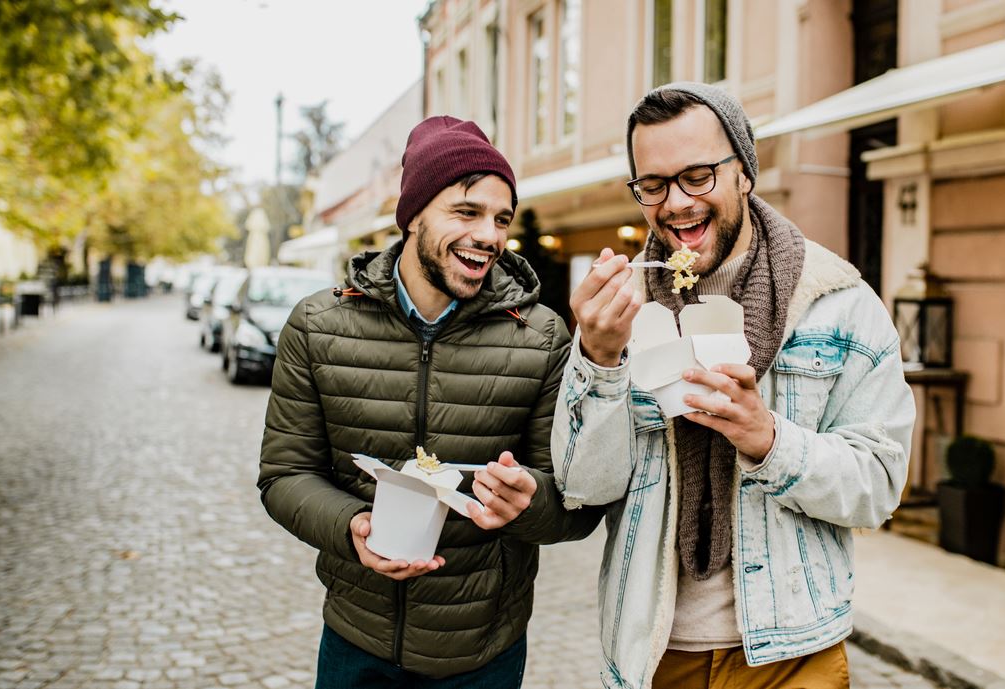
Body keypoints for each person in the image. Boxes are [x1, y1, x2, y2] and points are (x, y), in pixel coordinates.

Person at [552, 82, 916, 689]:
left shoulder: (839, 304)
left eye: (698, 176)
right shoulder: (620, 309)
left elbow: (878, 487)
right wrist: (598, 358)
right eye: (654, 185)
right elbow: (583, 486)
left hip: (794, 653)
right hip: (654, 648)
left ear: (745, 172)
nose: (676, 203)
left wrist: (769, 440)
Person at [259, 115, 599, 688]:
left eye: (500, 219)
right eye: (466, 212)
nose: (489, 235)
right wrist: (352, 526)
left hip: (483, 651)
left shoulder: (540, 337)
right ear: (413, 215)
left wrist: (528, 502)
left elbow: (577, 505)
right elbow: (285, 475)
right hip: (355, 640)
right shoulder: (317, 326)